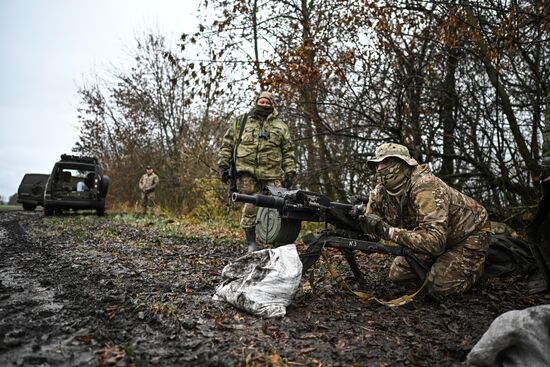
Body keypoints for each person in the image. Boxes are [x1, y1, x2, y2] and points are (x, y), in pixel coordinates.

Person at [360, 143, 490, 297]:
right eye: (377, 164)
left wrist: (388, 232)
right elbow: (371, 234)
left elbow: (435, 242)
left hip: (469, 235)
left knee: (438, 288)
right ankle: (442, 263)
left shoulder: (426, 187)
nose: (380, 168)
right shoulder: (381, 192)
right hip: (432, 236)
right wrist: (358, 222)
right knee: (397, 275)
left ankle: (476, 268)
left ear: (402, 163)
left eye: (386, 162)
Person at [218, 91, 296, 252]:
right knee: (251, 206)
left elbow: (288, 151)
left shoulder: (280, 126)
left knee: (279, 207)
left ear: (272, 104)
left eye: (267, 102)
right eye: (261, 101)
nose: (264, 104)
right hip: (247, 174)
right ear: (256, 102)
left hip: (272, 174)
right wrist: (223, 166)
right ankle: (251, 243)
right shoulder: (241, 121)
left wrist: (289, 172)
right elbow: (227, 144)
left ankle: (277, 243)